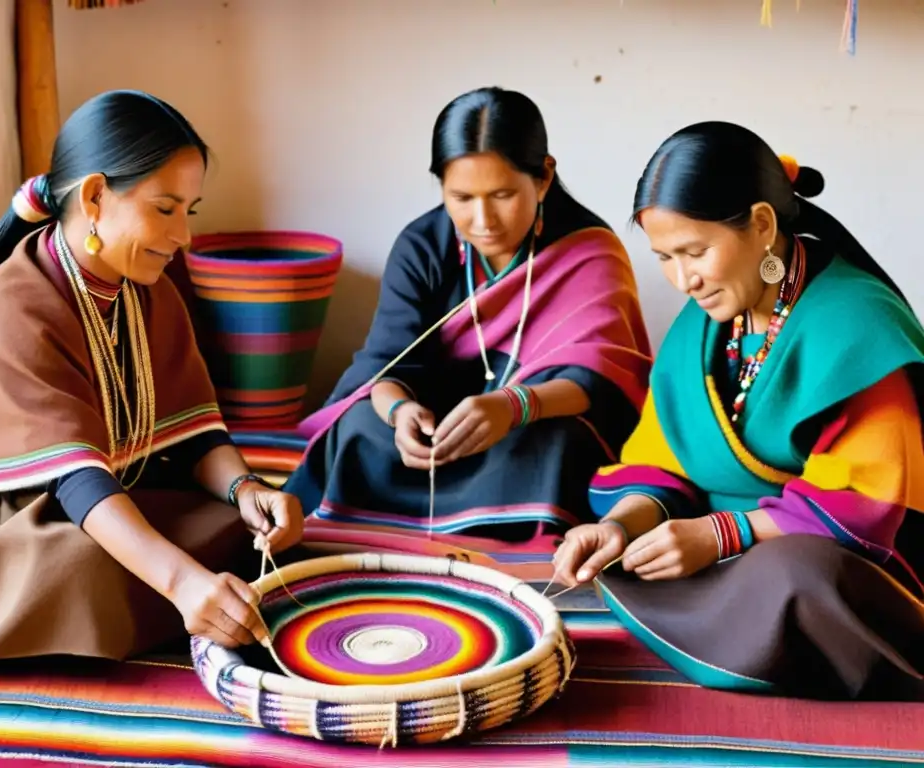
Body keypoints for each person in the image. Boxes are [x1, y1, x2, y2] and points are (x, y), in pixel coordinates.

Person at [0, 90, 304, 672]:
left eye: (188, 211)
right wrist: (183, 582)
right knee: (83, 571)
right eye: (165, 209)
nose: (184, 237)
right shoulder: (8, 310)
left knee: (237, 531)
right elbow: (75, 480)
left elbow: (189, 432)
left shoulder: (147, 289)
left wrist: (248, 491)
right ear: (94, 197)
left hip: (98, 487)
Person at [553, 121, 924, 701]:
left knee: (795, 577)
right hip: (723, 548)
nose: (682, 280)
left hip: (841, 557)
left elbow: (863, 507)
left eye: (696, 252)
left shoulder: (857, 324)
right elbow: (660, 460)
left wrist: (719, 535)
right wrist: (619, 527)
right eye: (665, 258)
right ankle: (741, 631)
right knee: (625, 561)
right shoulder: (702, 329)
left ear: (761, 224)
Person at [286, 87, 652, 544]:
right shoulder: (422, 246)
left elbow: (602, 378)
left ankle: (509, 545)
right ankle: (384, 531)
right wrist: (401, 413)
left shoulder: (589, 251)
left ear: (543, 178)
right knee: (360, 425)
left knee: (563, 444)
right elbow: (387, 365)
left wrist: (513, 406)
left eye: (502, 194)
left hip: (525, 427)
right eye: (461, 197)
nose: (483, 220)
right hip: (435, 432)